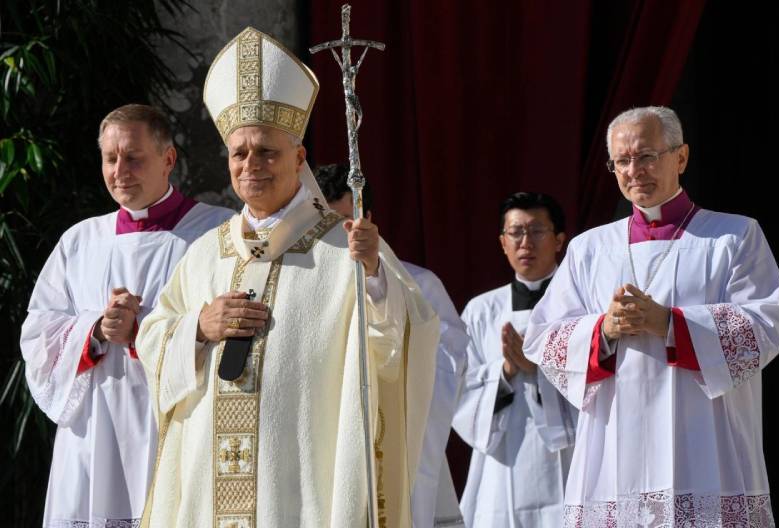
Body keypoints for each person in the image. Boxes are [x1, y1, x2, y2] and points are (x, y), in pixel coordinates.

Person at [136, 27, 438, 528]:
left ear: (300, 159)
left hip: (304, 486)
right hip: (209, 483)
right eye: (240, 153)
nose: (251, 164)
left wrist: (375, 277)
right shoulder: (204, 254)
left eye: (267, 152)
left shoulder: (348, 247)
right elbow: (154, 339)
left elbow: (408, 339)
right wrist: (199, 327)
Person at [524, 106, 779, 527]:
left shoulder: (733, 236)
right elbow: (543, 336)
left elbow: (766, 323)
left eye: (647, 156)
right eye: (622, 161)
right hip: (614, 447)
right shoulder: (588, 249)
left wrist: (669, 323)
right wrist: (603, 330)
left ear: (680, 157)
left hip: (705, 445)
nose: (635, 170)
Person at [20, 104, 234, 527]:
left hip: (174, 426)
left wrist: (145, 330)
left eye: (134, 157)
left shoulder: (217, 234)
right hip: (93, 432)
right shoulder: (80, 241)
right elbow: (37, 333)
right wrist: (94, 331)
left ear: (168, 159)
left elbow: (237, 329)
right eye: (110, 158)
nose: (120, 170)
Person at [316, 163, 469, 528]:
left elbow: (450, 367)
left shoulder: (418, 285)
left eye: (345, 221)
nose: (338, 235)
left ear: (367, 218)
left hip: (393, 443)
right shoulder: (304, 288)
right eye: (324, 223)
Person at [453, 192, 577, 527]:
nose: (526, 243)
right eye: (516, 232)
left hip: (569, 459)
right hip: (502, 463)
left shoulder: (579, 305)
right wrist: (505, 372)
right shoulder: (481, 312)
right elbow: (458, 392)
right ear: (502, 242)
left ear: (559, 240)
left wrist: (538, 373)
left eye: (537, 231)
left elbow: (600, 383)